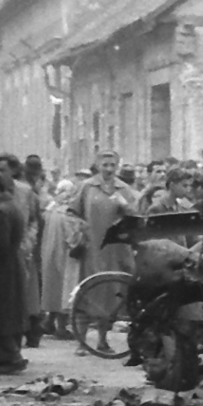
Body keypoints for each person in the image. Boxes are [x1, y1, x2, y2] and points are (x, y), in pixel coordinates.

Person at [72, 150, 137, 353]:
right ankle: (81, 342)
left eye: (112, 165)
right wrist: (79, 231)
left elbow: (134, 218)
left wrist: (124, 206)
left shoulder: (124, 189)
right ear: (97, 165)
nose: (108, 169)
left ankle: (102, 340)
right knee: (87, 291)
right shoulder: (87, 187)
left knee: (111, 295)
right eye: (105, 164)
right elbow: (73, 212)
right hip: (92, 248)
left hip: (115, 250)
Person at [0, 170, 29, 374]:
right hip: (13, 264)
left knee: (0, 314)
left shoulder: (0, 211)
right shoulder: (13, 206)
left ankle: (8, 358)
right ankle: (1, 359)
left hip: (3, 268)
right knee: (9, 312)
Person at [39, 176, 85, 337]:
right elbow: (73, 239)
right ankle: (61, 327)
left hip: (49, 252)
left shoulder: (50, 209)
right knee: (65, 288)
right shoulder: (68, 213)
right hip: (65, 256)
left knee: (52, 287)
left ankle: (49, 321)